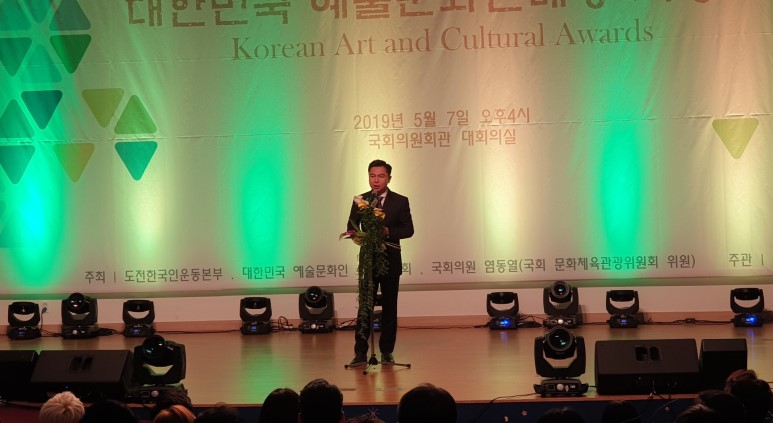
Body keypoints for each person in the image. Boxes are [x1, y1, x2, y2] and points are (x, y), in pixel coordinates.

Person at [347, 159, 414, 366]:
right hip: (369, 260)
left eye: (381, 176)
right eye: (372, 176)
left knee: (390, 307)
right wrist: (359, 236)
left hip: (391, 260)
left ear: (389, 178)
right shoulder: (361, 200)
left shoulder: (400, 201)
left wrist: (387, 231)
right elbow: (351, 227)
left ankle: (386, 351)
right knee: (365, 306)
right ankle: (360, 352)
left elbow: (408, 230)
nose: (376, 180)